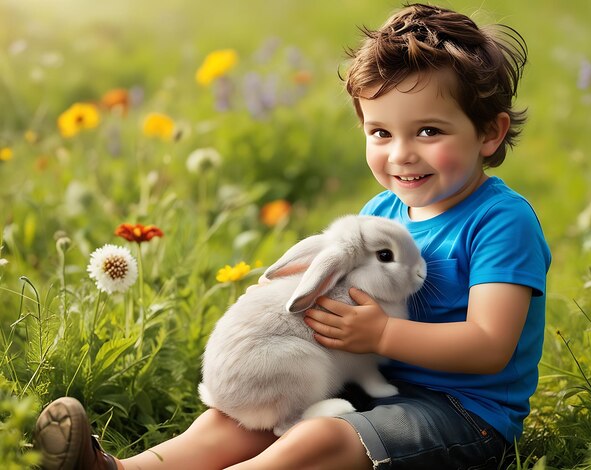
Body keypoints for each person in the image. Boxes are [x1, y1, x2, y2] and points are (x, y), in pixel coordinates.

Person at [34, 3, 550, 469]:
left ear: (489, 132)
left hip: (461, 415)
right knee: (238, 419)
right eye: (381, 133)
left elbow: (488, 345)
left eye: (428, 131)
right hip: (371, 383)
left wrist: (383, 336)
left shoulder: (500, 221)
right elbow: (330, 273)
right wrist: (284, 302)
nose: (401, 154)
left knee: (319, 440)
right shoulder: (384, 211)